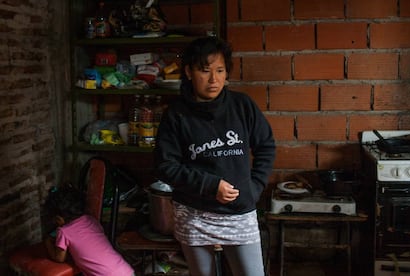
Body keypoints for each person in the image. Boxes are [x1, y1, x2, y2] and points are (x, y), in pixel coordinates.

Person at [154, 36, 276, 276]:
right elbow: (165, 166)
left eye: (220, 70)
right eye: (205, 70)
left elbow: (266, 146)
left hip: (239, 211)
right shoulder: (176, 114)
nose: (214, 79)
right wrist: (210, 185)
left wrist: (254, 187)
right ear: (189, 72)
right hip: (194, 213)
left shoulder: (242, 106)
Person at [43, 185, 134, 276]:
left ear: (58, 218)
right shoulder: (91, 219)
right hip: (125, 270)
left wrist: (48, 242)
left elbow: (59, 258)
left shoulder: (63, 232)